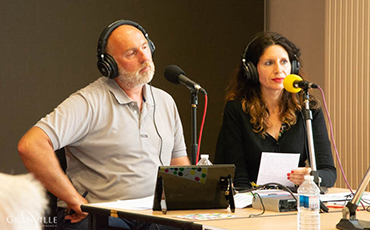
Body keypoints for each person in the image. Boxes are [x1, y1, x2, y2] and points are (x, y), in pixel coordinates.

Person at [18, 19, 190, 229]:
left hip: (156, 216)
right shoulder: (88, 102)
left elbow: (178, 162)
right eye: (132, 53)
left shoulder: (165, 101)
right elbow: (31, 145)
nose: (145, 57)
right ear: (108, 65)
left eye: (145, 47)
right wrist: (74, 199)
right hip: (106, 218)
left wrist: (194, 199)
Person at [214, 31, 336, 190]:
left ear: (293, 67)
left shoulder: (308, 108)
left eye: (284, 62)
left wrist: (311, 176)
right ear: (251, 69)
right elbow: (238, 176)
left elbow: (329, 173)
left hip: (296, 202)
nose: (279, 70)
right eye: (269, 63)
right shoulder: (237, 109)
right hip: (252, 204)